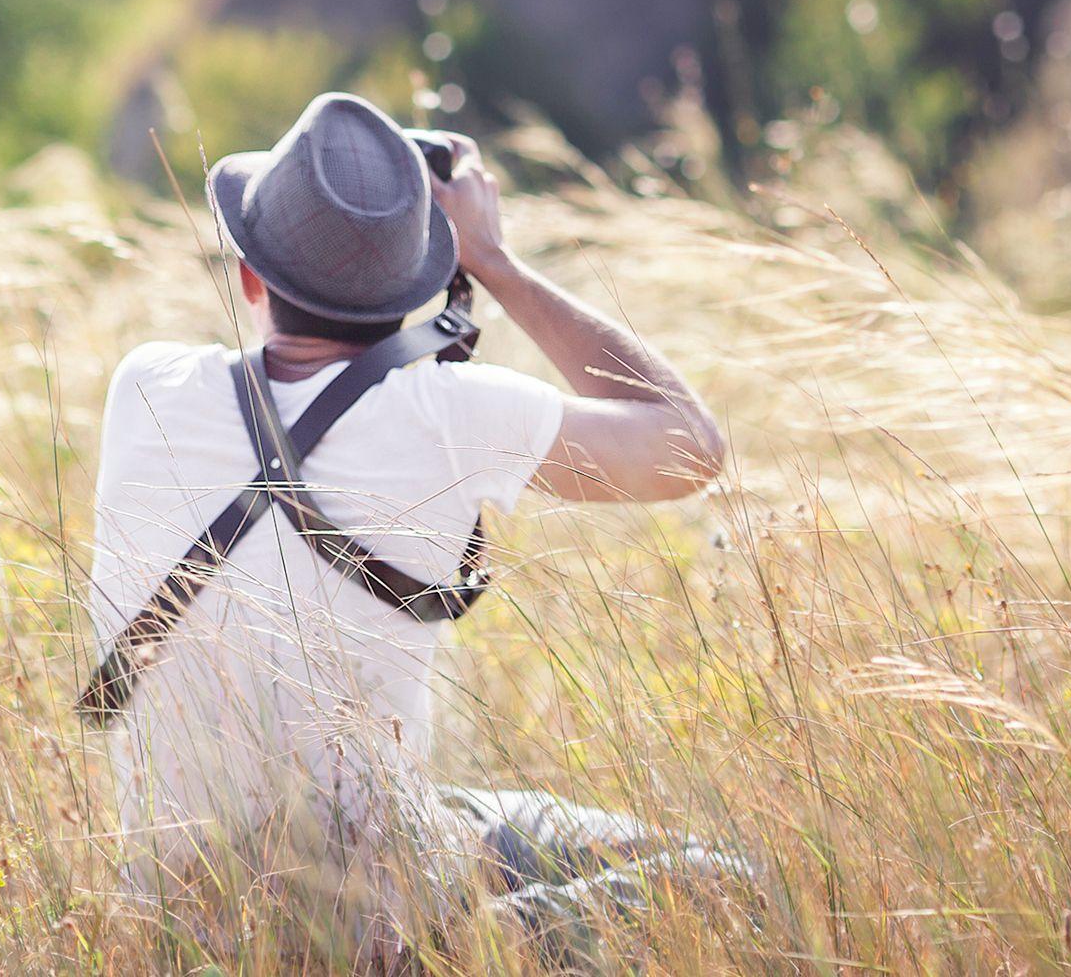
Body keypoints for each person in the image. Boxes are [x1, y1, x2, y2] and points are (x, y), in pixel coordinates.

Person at [84, 91, 738, 959]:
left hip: (181, 921)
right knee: (729, 883)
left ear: (249, 278)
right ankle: (477, 949)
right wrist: (496, 262)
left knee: (465, 818)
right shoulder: (451, 413)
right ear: (420, 286)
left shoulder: (145, 384)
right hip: (375, 923)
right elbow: (691, 446)